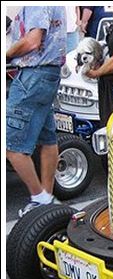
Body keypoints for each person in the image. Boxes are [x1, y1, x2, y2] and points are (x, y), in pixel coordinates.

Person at [6, 6, 66, 217]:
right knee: (47, 138)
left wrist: (7, 54)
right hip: (47, 74)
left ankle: (40, 198)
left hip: (33, 74)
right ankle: (46, 200)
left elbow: (33, 41)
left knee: (11, 145)